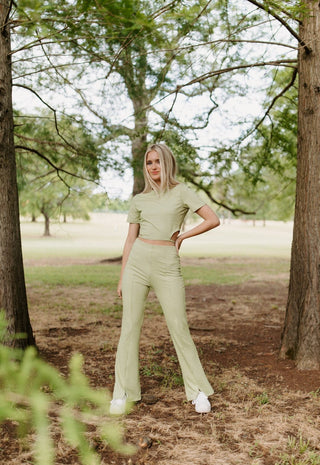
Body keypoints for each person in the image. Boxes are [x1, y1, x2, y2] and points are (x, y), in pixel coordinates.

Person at [110, 143, 220, 415]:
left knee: (178, 327)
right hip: (137, 263)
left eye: (158, 161)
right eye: (149, 163)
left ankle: (197, 392)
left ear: (167, 163)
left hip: (167, 263)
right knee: (129, 328)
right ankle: (123, 392)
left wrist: (182, 236)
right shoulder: (139, 199)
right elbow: (129, 239)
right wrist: (122, 276)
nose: (154, 166)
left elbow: (212, 218)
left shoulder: (181, 191)